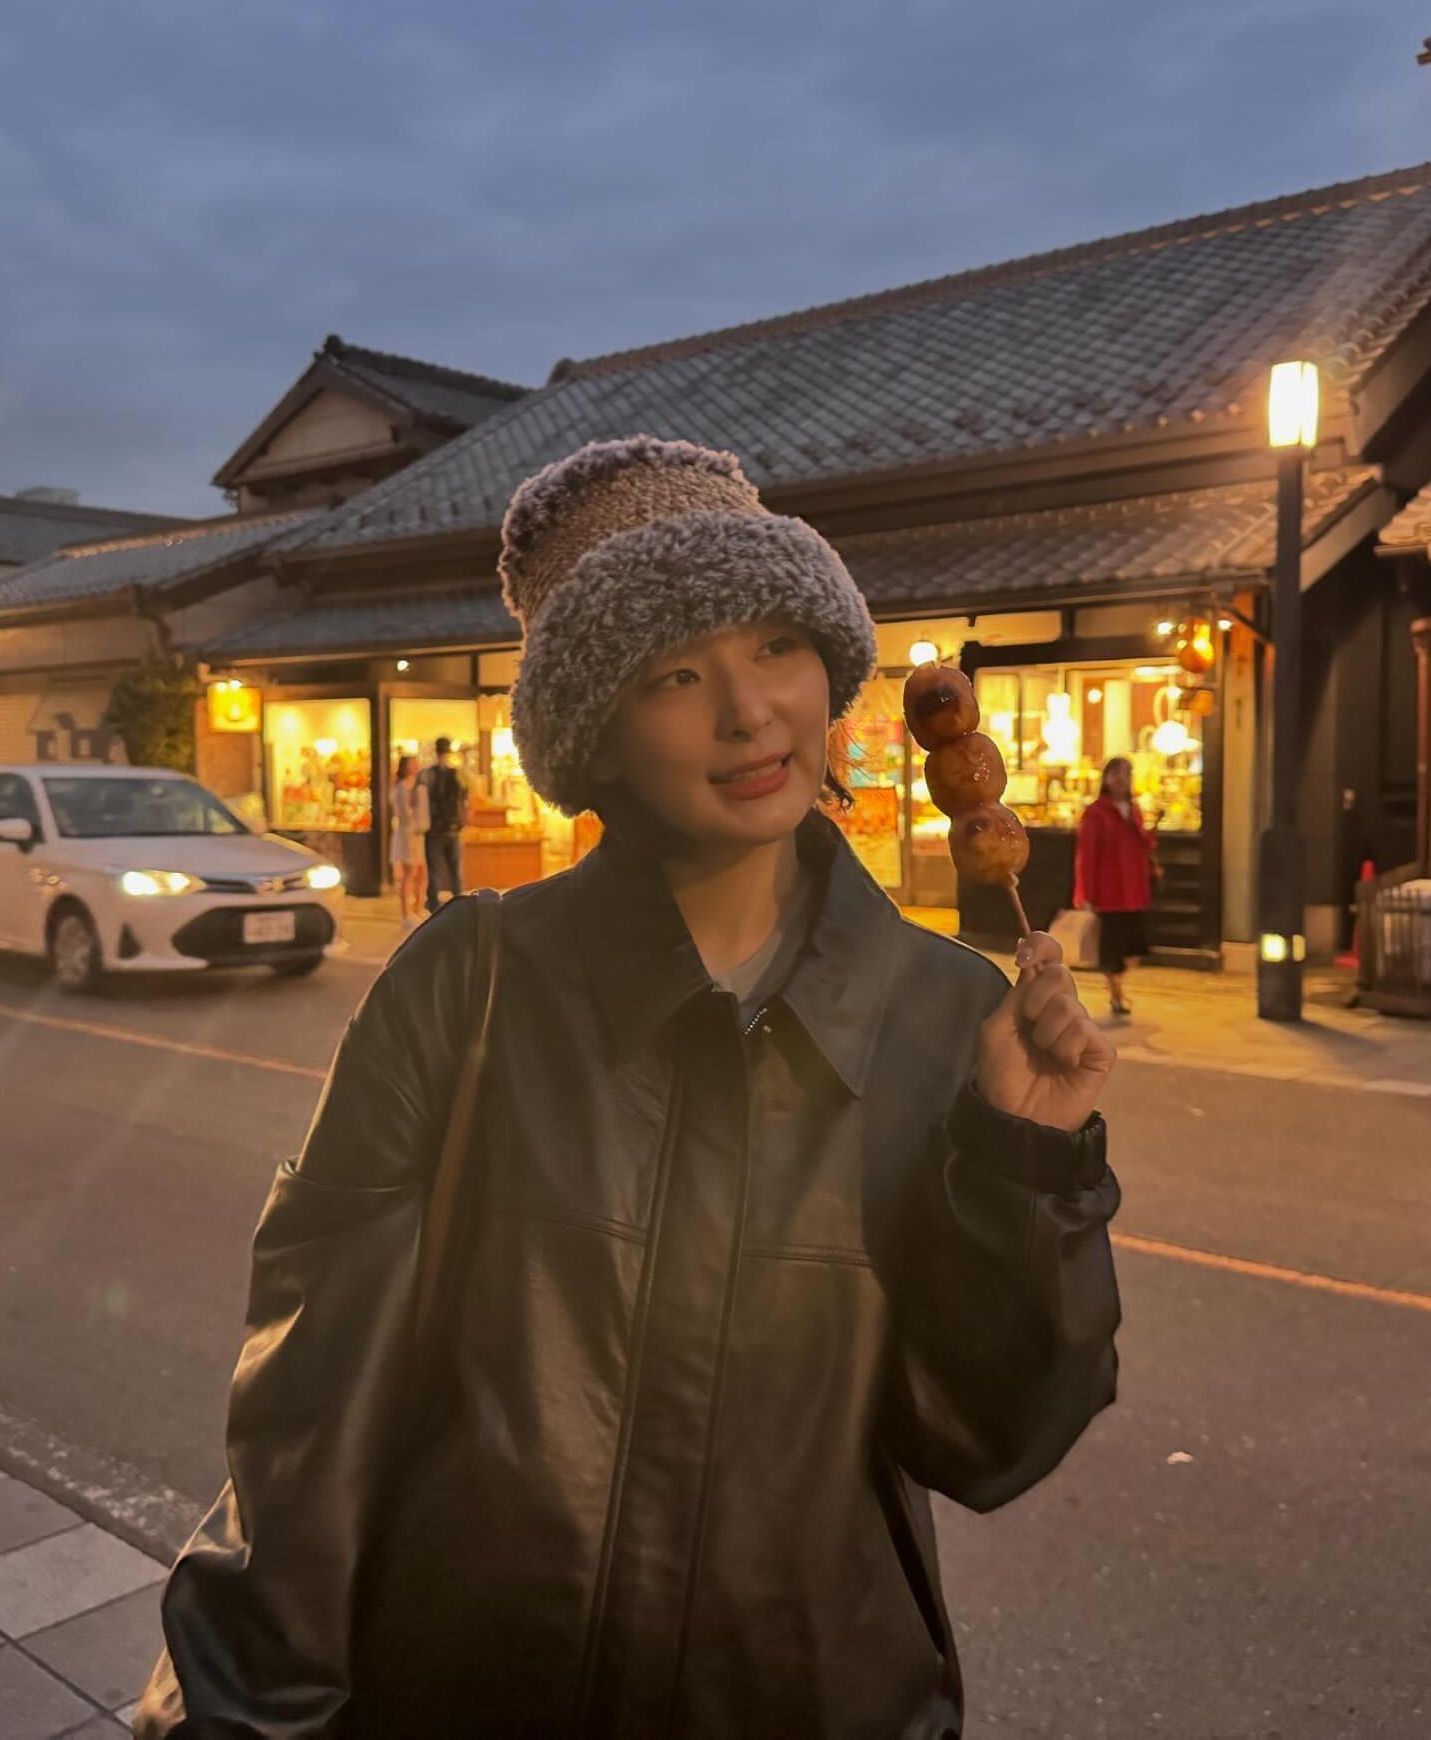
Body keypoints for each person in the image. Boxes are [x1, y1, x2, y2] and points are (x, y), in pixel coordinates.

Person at [136, 436, 1123, 1740]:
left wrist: (1025, 1166)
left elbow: (988, 1441)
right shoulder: (467, 982)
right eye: (675, 672)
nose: (749, 711)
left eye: (778, 644)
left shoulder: (946, 1010)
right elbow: (308, 1430)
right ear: (593, 733)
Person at [1074, 755, 1161, 1018]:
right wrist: (1085, 893)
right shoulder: (1095, 813)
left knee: (1133, 947)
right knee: (1112, 949)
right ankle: (1116, 993)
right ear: (1106, 779)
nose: (1122, 780)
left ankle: (1117, 988)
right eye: (1116, 774)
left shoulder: (1134, 809)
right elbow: (1087, 855)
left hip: (1133, 889)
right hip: (1109, 891)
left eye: (1126, 774)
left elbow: (1141, 845)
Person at [415, 734, 467, 912]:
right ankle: (459, 903)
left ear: (435, 751)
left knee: (434, 869)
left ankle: (434, 904)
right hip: (453, 828)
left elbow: (419, 799)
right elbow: (465, 797)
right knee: (455, 869)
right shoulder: (457, 774)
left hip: (434, 828)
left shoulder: (427, 774)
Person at [387, 753, 427, 929]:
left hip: (416, 834)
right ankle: (406, 913)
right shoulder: (402, 787)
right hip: (407, 834)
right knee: (409, 873)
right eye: (413, 763)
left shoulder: (415, 785)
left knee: (421, 871)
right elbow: (405, 813)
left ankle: (418, 907)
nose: (417, 766)